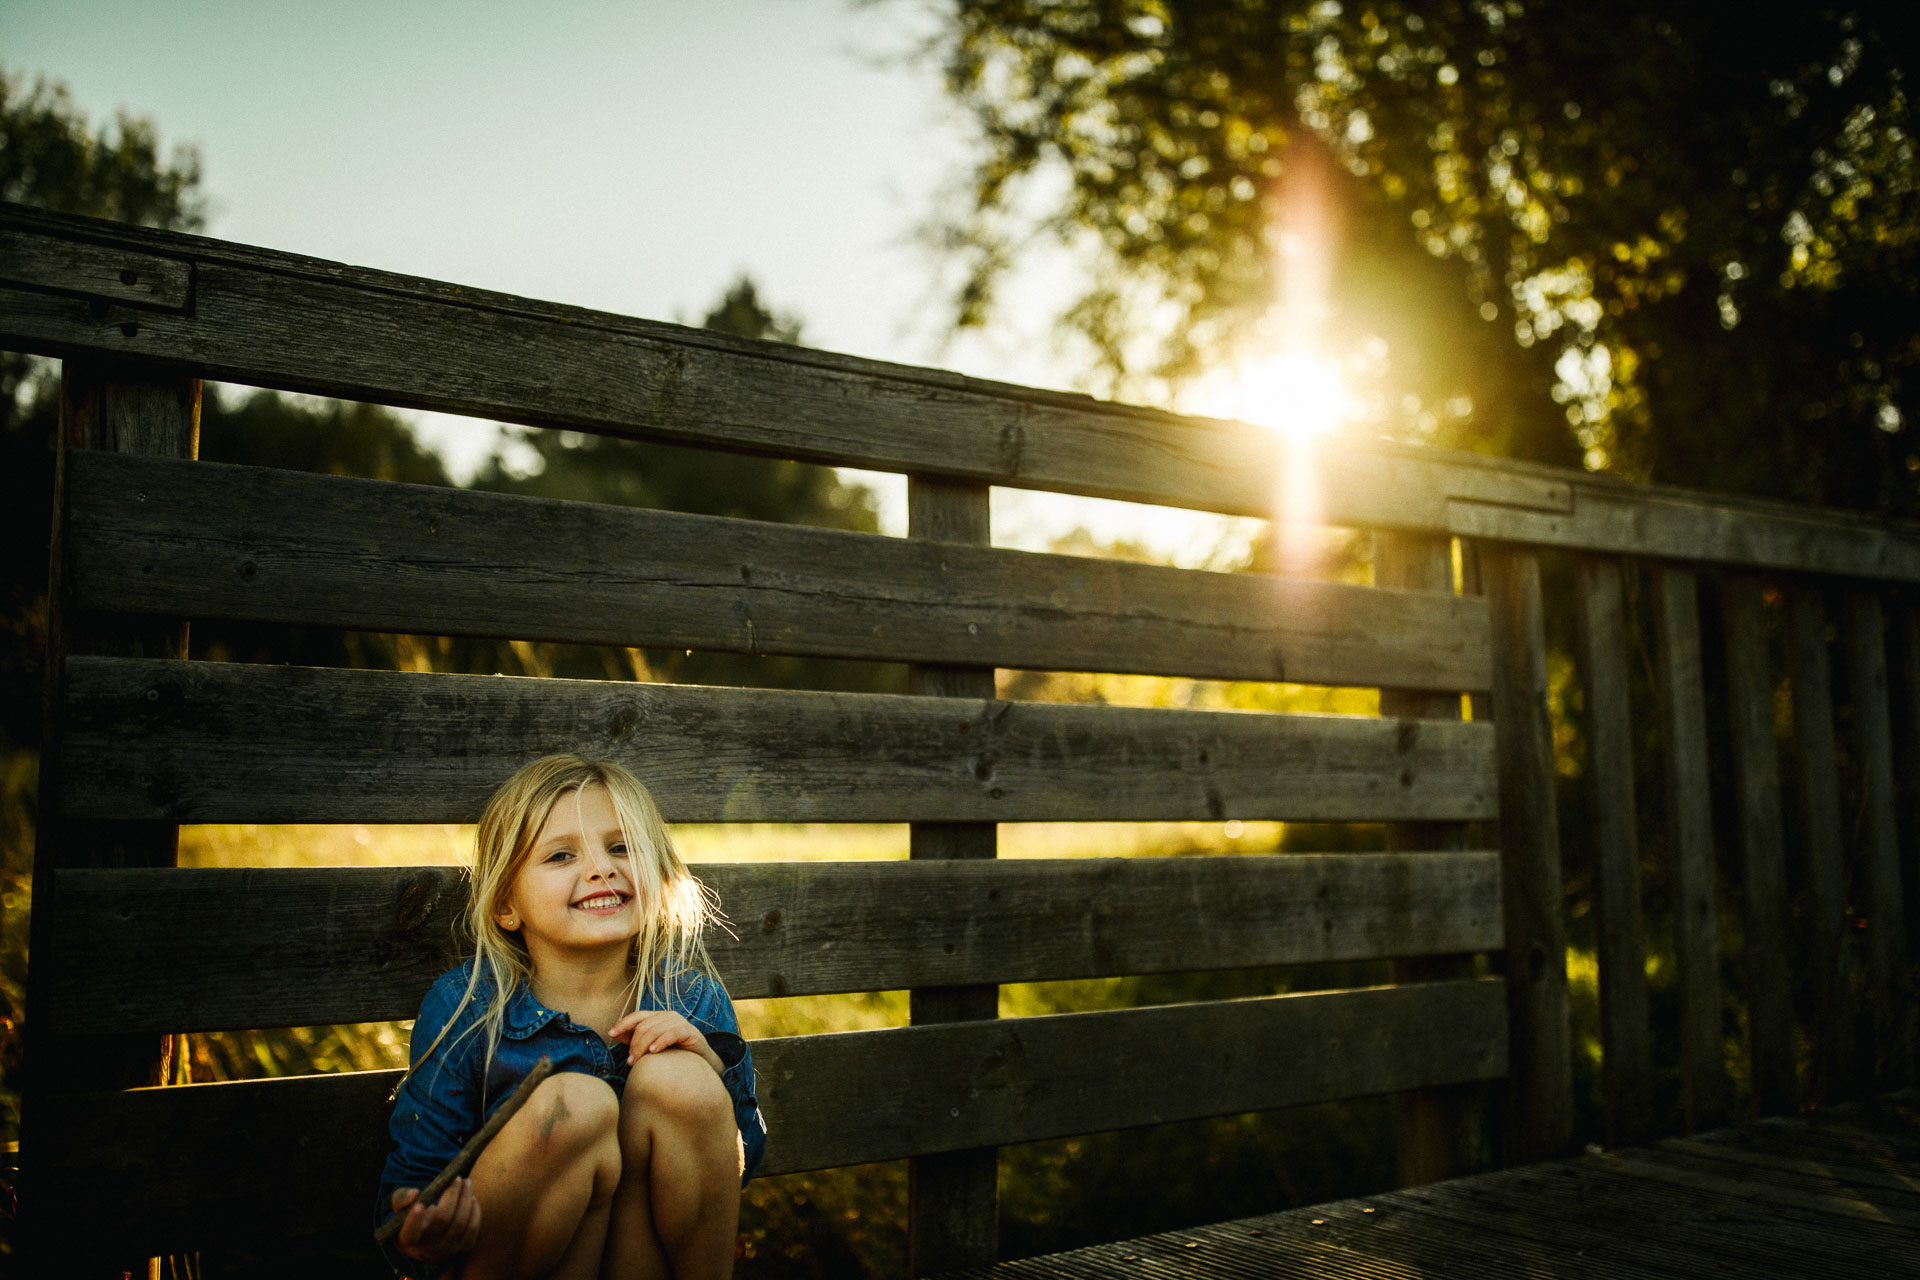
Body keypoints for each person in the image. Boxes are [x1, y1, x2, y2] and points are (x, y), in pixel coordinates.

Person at [375, 754, 767, 1279]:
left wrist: (715, 1072)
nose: (601, 869)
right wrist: (426, 1227)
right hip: (526, 1258)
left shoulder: (690, 998)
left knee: (681, 1078)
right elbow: (412, 1189)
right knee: (573, 1106)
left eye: (622, 848)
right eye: (560, 856)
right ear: (506, 906)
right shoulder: (467, 1009)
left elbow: (743, 1162)